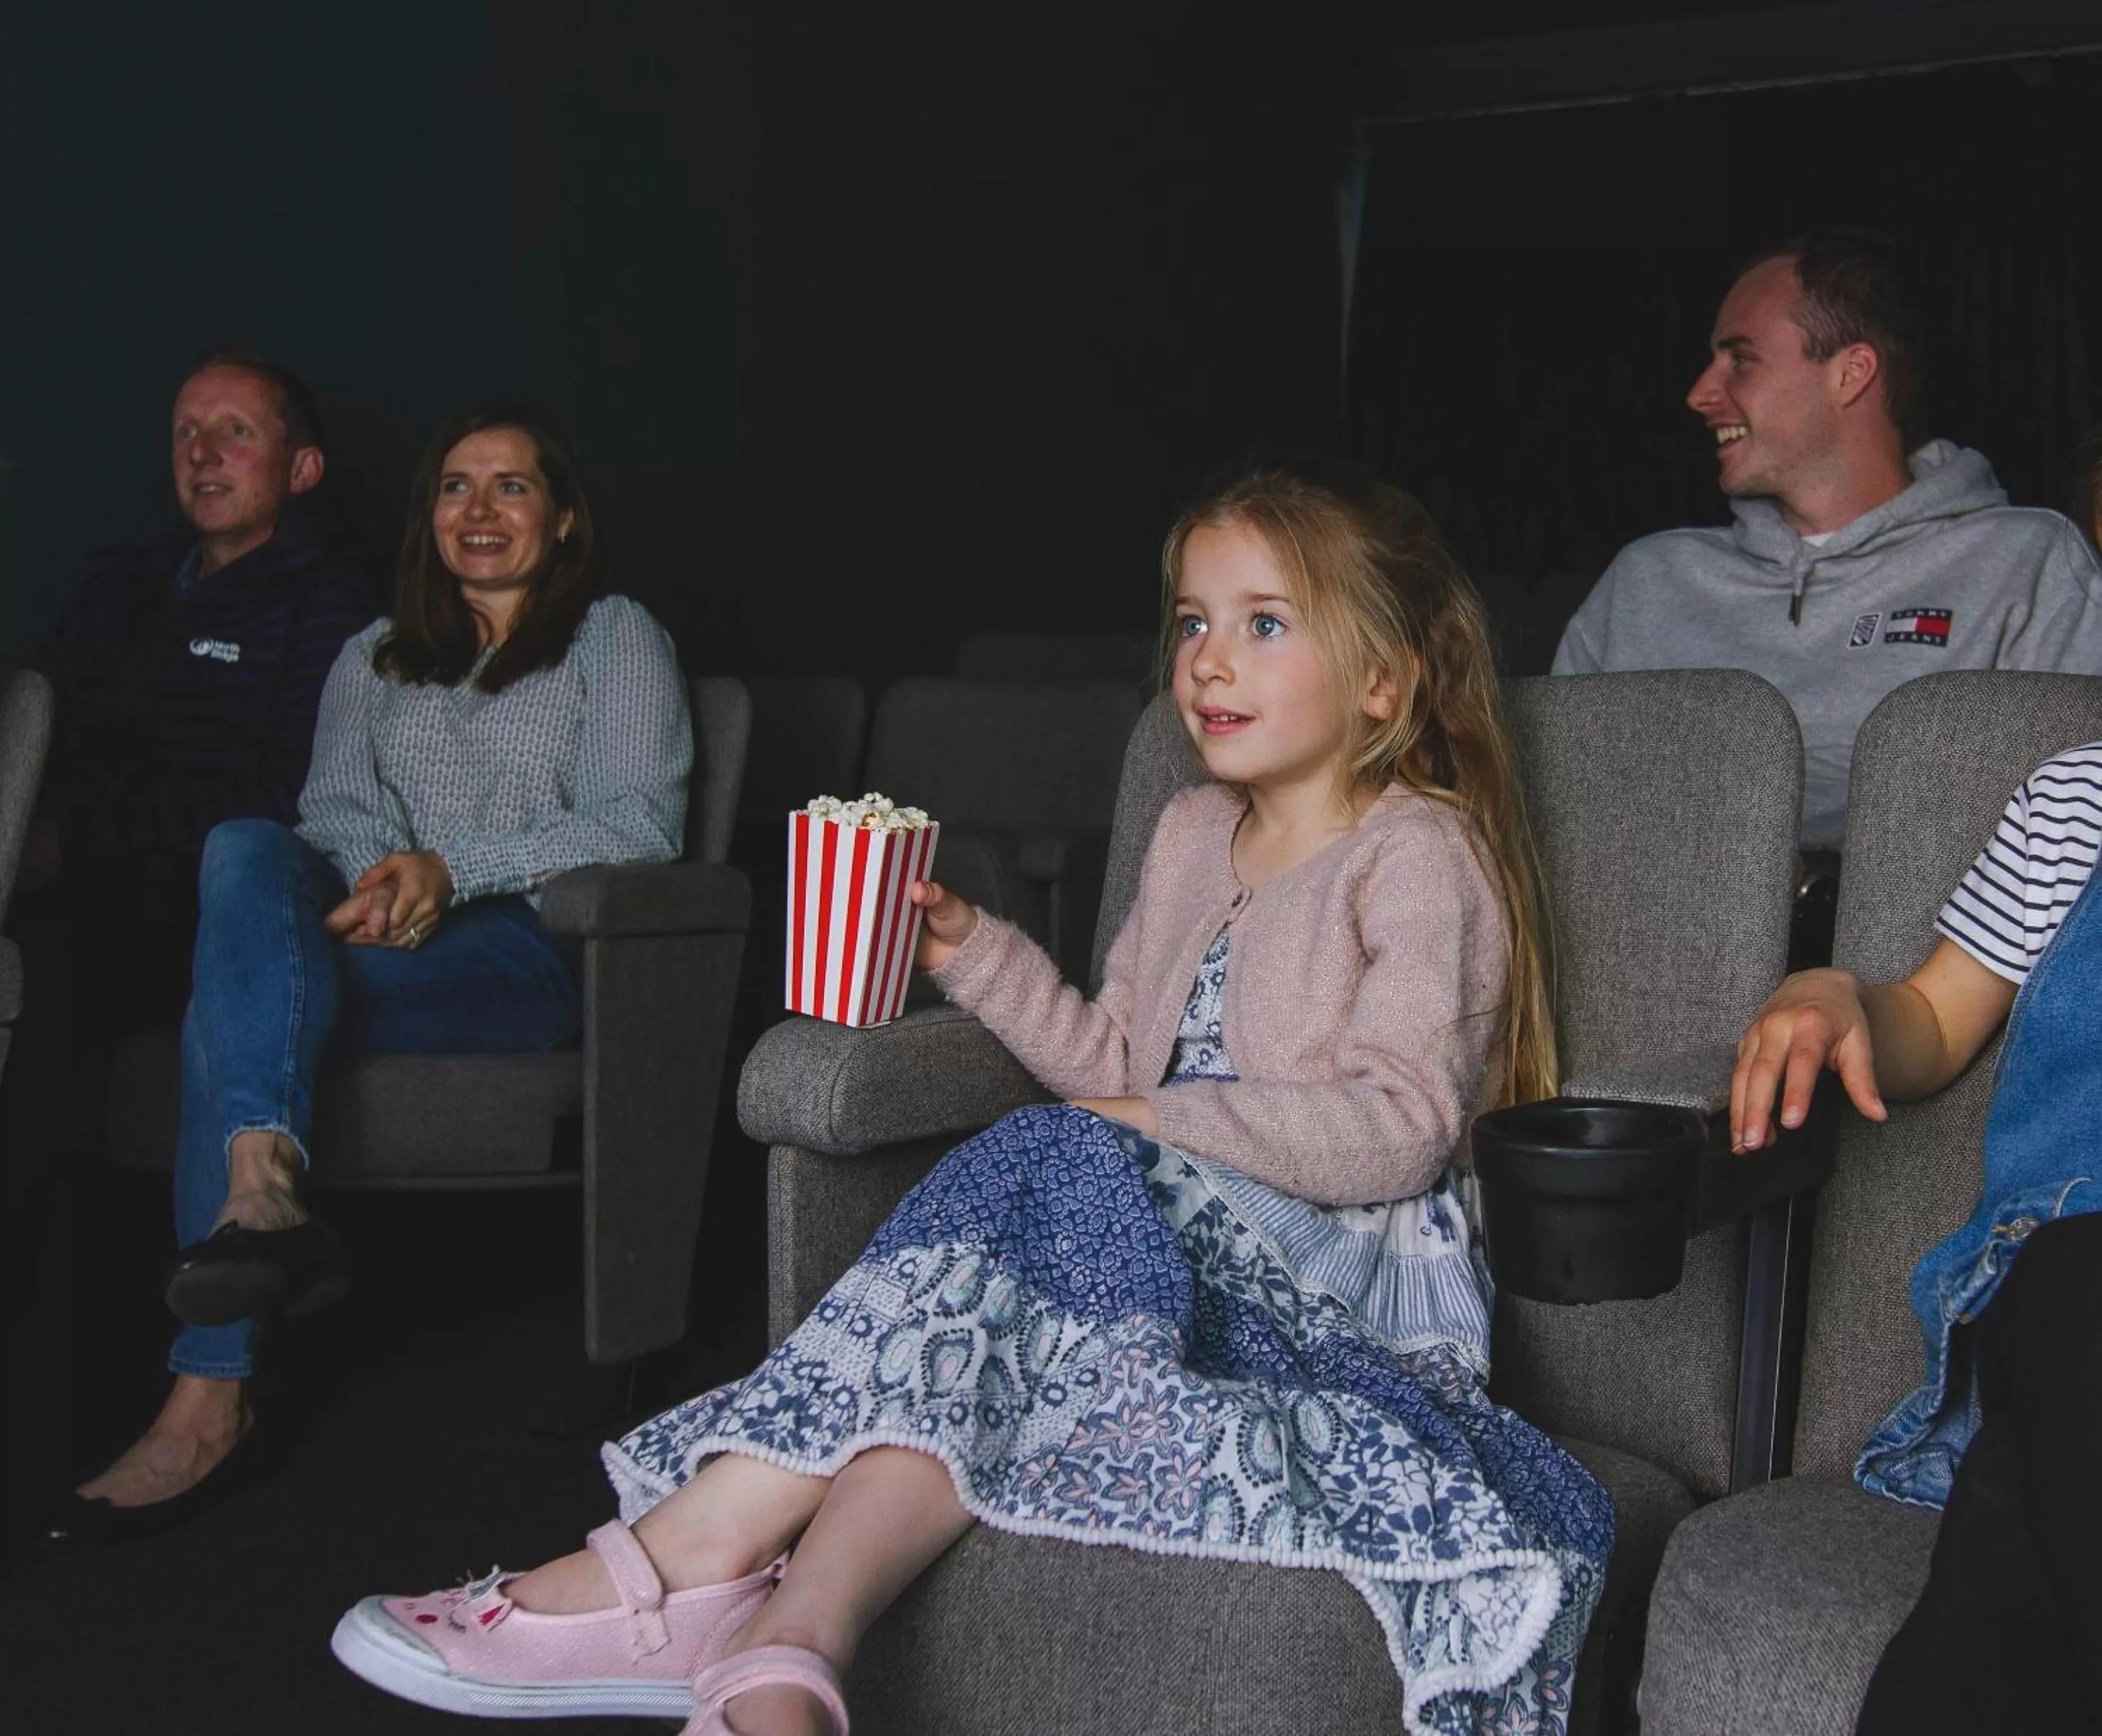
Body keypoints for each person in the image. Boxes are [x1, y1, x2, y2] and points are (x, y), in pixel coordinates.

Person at [330, 461, 1611, 1736]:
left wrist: (1149, 1122)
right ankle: (791, 1640)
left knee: (1049, 1166)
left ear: (1384, 680)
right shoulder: (1187, 832)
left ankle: (678, 1557)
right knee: (996, 1289)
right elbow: (1116, 1061)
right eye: (1191, 622)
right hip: (1162, 1232)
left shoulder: (1417, 851)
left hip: (1335, 1276)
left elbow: (1398, 1130)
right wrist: (968, 949)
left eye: (1264, 623)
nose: (1208, 660)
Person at [42, 404, 693, 1545]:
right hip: (372, 931)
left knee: (224, 1017)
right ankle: (262, 1190)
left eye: (510, 486)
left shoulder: (612, 635)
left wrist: (451, 872)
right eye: (454, 486)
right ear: (428, 515)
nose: (478, 509)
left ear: (562, 516)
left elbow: (639, 823)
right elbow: (335, 806)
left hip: (524, 953)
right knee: (246, 846)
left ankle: (208, 1400)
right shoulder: (374, 652)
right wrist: (383, 887)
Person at [1731, 739, 2102, 1732]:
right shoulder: (2079, 798)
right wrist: (1835, 995)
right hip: (2068, 1296)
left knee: (1999, 1573)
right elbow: (1933, 1023)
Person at [1553, 230, 2102, 850]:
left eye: (1740, 359)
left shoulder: (2029, 564)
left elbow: (2070, 838)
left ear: (1851, 374)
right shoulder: (1645, 582)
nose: (1699, 393)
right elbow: (1549, 817)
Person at [2, 350, 376, 1166]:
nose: (202, 453)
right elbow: (27, 717)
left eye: (235, 433)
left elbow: (291, 794)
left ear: (302, 468)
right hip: (52, 873)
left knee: (47, 968)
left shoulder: (331, 600)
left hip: (196, 911)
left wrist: (75, 840)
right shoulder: (126, 584)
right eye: (185, 433)